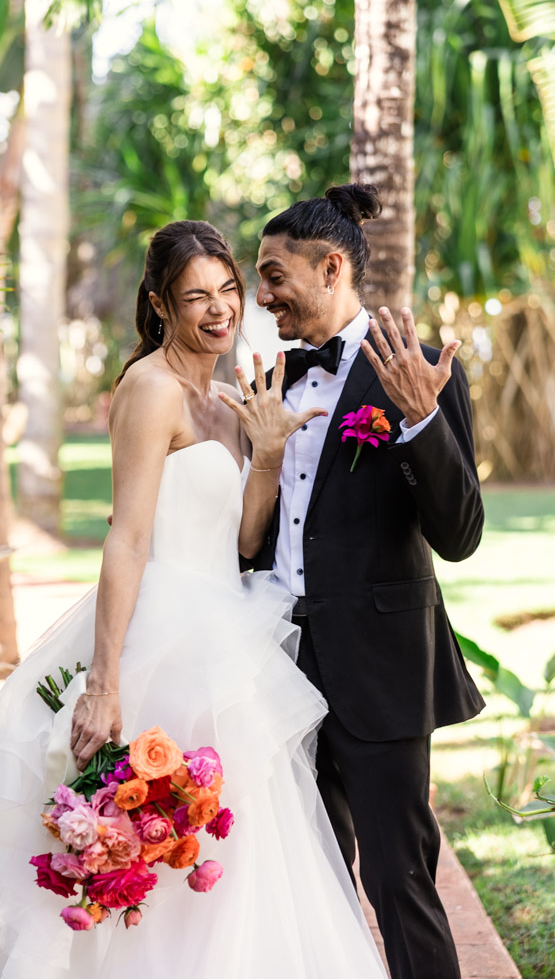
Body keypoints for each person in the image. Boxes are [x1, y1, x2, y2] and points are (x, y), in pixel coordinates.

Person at [0, 220, 387, 979]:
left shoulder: (223, 396)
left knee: (225, 846)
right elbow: (127, 540)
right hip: (158, 635)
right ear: (158, 304)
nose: (217, 310)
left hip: (225, 634)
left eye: (227, 291)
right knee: (132, 835)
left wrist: (269, 456)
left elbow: (244, 542)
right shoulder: (148, 388)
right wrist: (104, 682)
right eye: (195, 297)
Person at [247, 182, 486, 979]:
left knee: (398, 879)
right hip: (275, 667)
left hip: (381, 667)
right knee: (300, 884)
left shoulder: (420, 371)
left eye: (274, 273)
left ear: (329, 267)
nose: (262, 292)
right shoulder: (269, 379)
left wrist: (419, 422)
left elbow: (459, 535)